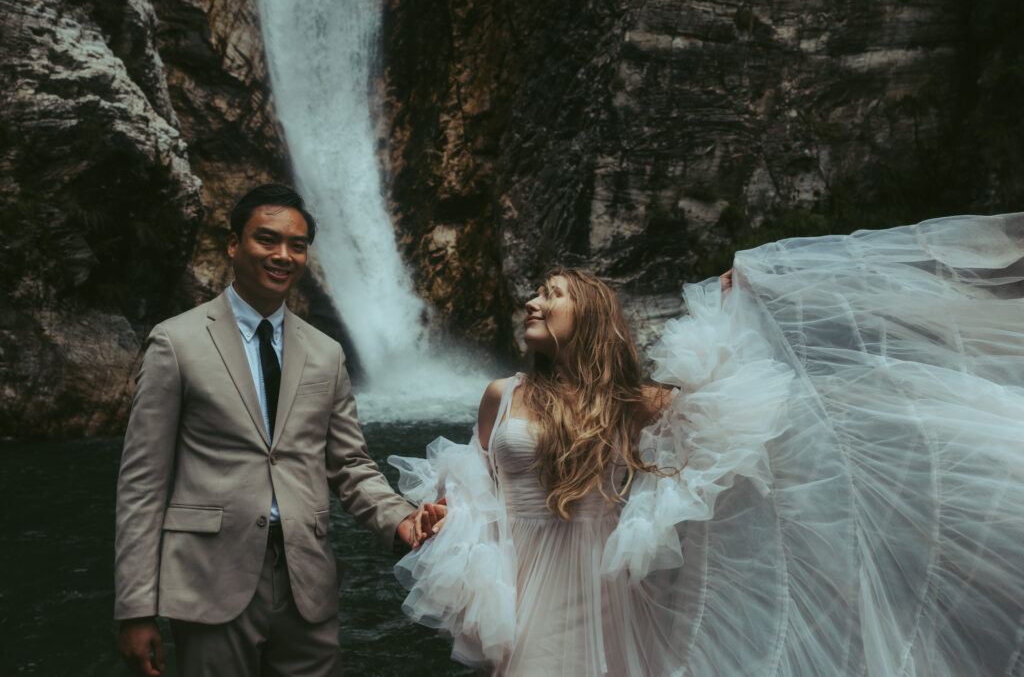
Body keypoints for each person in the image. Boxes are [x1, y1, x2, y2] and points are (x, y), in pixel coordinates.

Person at [390, 214, 1024, 675]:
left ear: (587, 317)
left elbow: (726, 402)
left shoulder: (630, 403)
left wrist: (737, 302)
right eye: (536, 293)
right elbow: (477, 486)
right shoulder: (502, 394)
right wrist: (443, 513)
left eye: (550, 295)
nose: (531, 301)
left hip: (597, 588)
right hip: (515, 584)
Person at [114, 183, 436, 676]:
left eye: (298, 244)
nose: (283, 255)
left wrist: (401, 520)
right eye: (267, 240)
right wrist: (136, 608)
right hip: (209, 579)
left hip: (306, 581)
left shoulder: (325, 352)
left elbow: (350, 465)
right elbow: (142, 482)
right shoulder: (175, 342)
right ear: (233, 244)